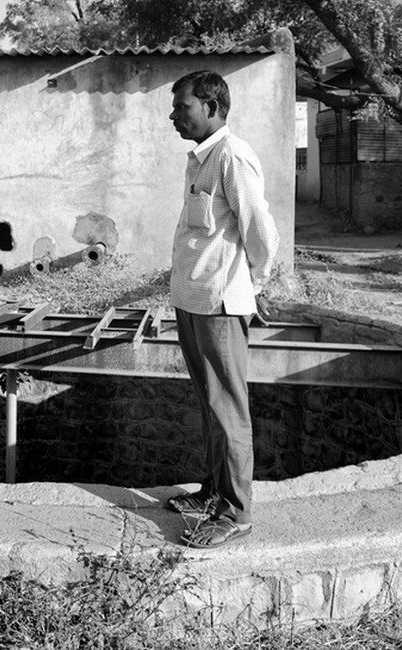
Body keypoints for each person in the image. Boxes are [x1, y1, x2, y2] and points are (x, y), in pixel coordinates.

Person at [163, 70, 280, 549]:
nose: (173, 116)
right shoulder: (201, 158)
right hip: (192, 300)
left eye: (182, 107)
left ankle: (235, 512)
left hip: (219, 303)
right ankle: (213, 493)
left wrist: (255, 283)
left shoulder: (233, 155)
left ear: (211, 107)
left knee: (228, 408)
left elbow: (260, 232)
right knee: (210, 404)